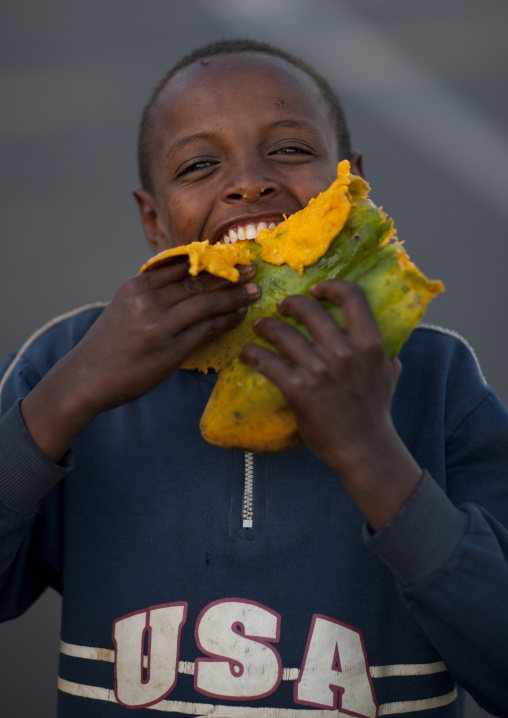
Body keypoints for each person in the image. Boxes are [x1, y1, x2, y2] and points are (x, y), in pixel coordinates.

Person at [1, 38, 507, 718]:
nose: (249, 182)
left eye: (291, 150)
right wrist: (68, 395)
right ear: (155, 221)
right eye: (200, 165)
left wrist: (370, 452)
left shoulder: (433, 379)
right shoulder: (67, 363)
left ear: (350, 186)